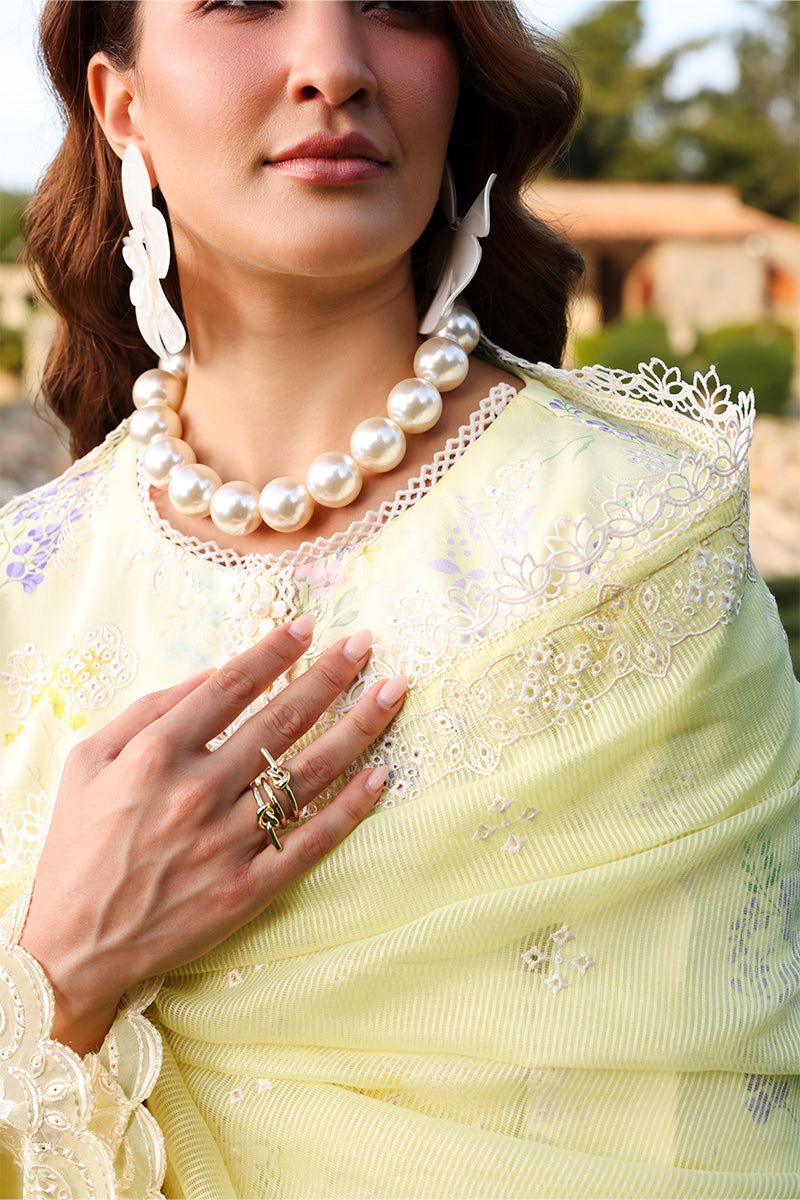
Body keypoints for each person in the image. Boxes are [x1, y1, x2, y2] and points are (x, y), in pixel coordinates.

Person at [1, 1, 797, 1197]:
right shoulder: (23, 588)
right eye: (243, 1)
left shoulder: (635, 536)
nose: (333, 67)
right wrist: (55, 978)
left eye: (398, 6)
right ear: (122, 105)